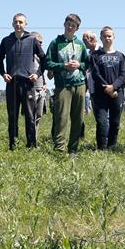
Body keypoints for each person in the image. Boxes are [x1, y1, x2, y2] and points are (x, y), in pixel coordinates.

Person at [0, 13, 45, 149]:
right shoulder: (6, 40)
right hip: (12, 83)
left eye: (21, 22)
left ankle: (31, 145)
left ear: (25, 24)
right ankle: (13, 145)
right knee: (13, 116)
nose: (18, 24)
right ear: (12, 24)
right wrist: (3, 74)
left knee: (30, 116)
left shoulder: (32, 40)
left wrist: (37, 74)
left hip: (27, 83)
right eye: (16, 22)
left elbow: (44, 59)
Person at [45, 14, 89, 154]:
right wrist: (63, 65)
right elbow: (47, 62)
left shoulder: (81, 44)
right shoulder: (55, 43)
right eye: (68, 24)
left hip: (80, 85)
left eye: (73, 25)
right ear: (64, 24)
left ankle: (73, 149)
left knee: (78, 118)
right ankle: (59, 149)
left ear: (77, 28)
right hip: (63, 86)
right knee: (61, 117)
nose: (70, 27)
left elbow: (87, 63)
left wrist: (79, 64)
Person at [90, 27, 125, 149]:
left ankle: (112, 146)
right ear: (101, 38)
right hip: (100, 94)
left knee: (115, 122)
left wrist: (113, 87)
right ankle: (101, 147)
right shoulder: (95, 56)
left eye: (109, 36)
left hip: (117, 93)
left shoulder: (121, 56)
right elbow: (95, 74)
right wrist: (107, 88)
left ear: (114, 37)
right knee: (101, 122)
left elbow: (123, 75)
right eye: (105, 36)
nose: (107, 38)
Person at [29, 31, 49, 138]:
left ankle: (34, 139)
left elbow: (41, 70)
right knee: (31, 115)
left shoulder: (41, 55)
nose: (39, 45)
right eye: (37, 42)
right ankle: (31, 140)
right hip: (30, 88)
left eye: (41, 43)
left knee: (39, 115)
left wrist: (45, 83)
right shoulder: (27, 55)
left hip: (40, 87)